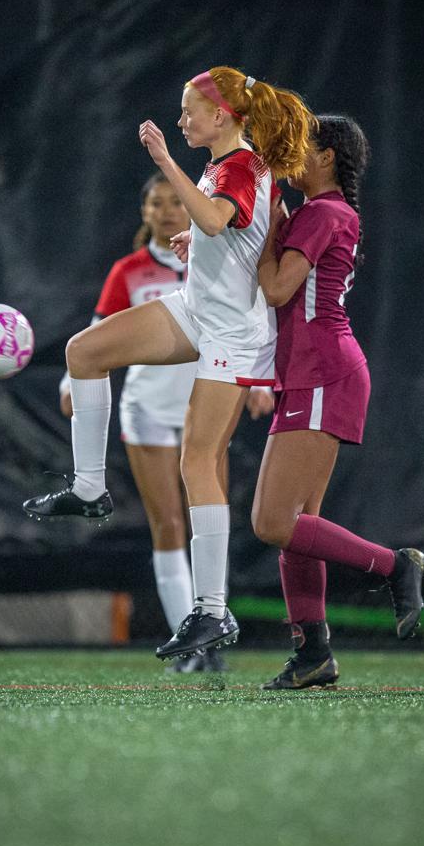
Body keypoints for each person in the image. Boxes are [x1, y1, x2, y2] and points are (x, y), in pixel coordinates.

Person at [24, 66, 314, 662]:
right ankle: (88, 489)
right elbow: (243, 229)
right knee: (85, 350)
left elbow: (213, 216)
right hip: (196, 307)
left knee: (198, 460)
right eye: (180, 114)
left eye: (189, 111)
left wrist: (165, 161)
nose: (181, 121)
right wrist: (201, 245)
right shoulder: (230, 165)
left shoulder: (236, 163)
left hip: (231, 329)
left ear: (223, 116)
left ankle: (211, 611)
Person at [58, 172, 271, 672]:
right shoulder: (129, 271)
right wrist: (71, 386)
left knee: (206, 510)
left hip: (211, 394)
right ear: (145, 212)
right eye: (157, 203)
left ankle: (210, 618)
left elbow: (246, 315)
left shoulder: (214, 253)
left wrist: (260, 380)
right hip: (149, 408)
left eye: (179, 200)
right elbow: (96, 338)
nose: (170, 210)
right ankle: (194, 645)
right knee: (169, 524)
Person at [252, 115, 424, 690]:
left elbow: (277, 288)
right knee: (295, 525)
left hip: (323, 372)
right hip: (312, 372)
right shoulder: (317, 212)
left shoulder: (325, 212)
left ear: (327, 157)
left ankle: (394, 566)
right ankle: (314, 656)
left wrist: (266, 236)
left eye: (301, 147)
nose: (289, 155)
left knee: (273, 522)